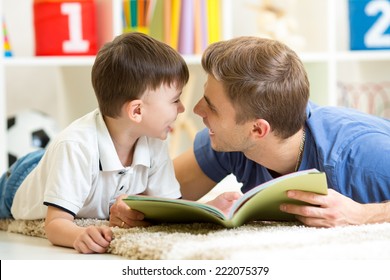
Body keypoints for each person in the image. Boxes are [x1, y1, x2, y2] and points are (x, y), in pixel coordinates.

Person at [110, 36, 390, 228]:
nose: (195, 109)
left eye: (211, 107)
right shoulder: (229, 142)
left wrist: (364, 214)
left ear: (258, 129)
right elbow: (158, 196)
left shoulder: (362, 156)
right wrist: (130, 204)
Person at [0, 32, 189, 253]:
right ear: (137, 110)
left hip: (64, 163)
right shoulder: (76, 147)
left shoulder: (154, 142)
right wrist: (79, 234)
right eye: (175, 100)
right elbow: (54, 225)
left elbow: (173, 209)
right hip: (21, 179)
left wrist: (212, 210)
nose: (182, 108)